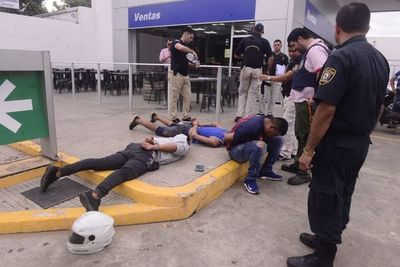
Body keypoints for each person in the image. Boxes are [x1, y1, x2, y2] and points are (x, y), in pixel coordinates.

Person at [286, 3, 390, 267]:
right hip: (359, 142)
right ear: (366, 27)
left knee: (325, 194)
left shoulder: (341, 57)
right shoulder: (379, 60)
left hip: (338, 142)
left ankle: (324, 256)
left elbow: (326, 110)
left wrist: (308, 150)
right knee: (344, 191)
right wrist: (365, 131)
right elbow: (380, 105)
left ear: (338, 28)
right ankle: (326, 238)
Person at [40, 134, 190, 211]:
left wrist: (151, 142)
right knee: (125, 172)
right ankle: (95, 195)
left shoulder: (167, 136)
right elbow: (178, 147)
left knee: (100, 163)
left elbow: (151, 139)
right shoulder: (183, 139)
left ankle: (58, 172)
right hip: (147, 153)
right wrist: (153, 148)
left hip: (134, 148)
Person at [281, 28, 330, 186]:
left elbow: (323, 74)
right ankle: (298, 163)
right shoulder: (310, 51)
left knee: (305, 134)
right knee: (300, 132)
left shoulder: (315, 51)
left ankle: (303, 172)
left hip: (307, 101)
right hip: (302, 99)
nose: (294, 49)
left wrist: (316, 98)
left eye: (294, 45)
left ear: (301, 39)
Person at [225, 115, 288, 194]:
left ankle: (266, 171)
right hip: (235, 150)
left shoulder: (266, 121)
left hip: (249, 146)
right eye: (274, 134)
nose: (273, 136)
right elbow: (227, 137)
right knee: (258, 146)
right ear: (271, 128)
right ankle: (250, 179)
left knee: (279, 140)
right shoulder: (251, 127)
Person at [260, 47, 303, 161]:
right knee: (293, 124)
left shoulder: (299, 62)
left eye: (294, 50)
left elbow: (286, 77)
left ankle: (285, 152)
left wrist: (268, 77)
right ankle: (292, 150)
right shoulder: (295, 61)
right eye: (290, 50)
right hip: (291, 95)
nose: (291, 53)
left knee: (287, 123)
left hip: (293, 96)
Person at [234, 23, 272, 122]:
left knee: (242, 92)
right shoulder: (265, 42)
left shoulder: (245, 40)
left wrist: (245, 57)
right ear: (262, 32)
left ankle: (239, 115)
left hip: (246, 68)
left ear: (253, 30)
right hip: (257, 70)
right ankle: (247, 117)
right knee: (252, 94)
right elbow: (270, 57)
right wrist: (267, 70)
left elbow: (236, 55)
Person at [129, 112, 227, 147]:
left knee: (173, 125)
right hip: (186, 131)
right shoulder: (218, 139)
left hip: (186, 128)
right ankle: (138, 120)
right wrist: (197, 125)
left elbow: (215, 124)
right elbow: (194, 135)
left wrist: (197, 124)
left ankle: (156, 117)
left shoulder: (221, 136)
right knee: (160, 130)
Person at [170, 26, 199, 123]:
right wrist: (192, 51)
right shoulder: (176, 42)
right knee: (175, 97)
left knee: (188, 96)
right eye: (191, 37)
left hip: (185, 75)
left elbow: (185, 61)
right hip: (176, 74)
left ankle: (186, 115)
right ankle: (173, 116)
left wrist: (194, 64)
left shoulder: (185, 48)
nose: (191, 40)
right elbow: (180, 47)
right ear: (186, 34)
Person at [263, 39, 289, 115]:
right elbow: (265, 65)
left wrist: (283, 75)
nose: (277, 46)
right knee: (266, 96)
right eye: (275, 45)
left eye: (278, 45)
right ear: (273, 46)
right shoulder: (269, 55)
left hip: (277, 79)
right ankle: (264, 112)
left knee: (274, 96)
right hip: (268, 78)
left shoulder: (284, 57)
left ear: (281, 46)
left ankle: (270, 112)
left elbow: (287, 67)